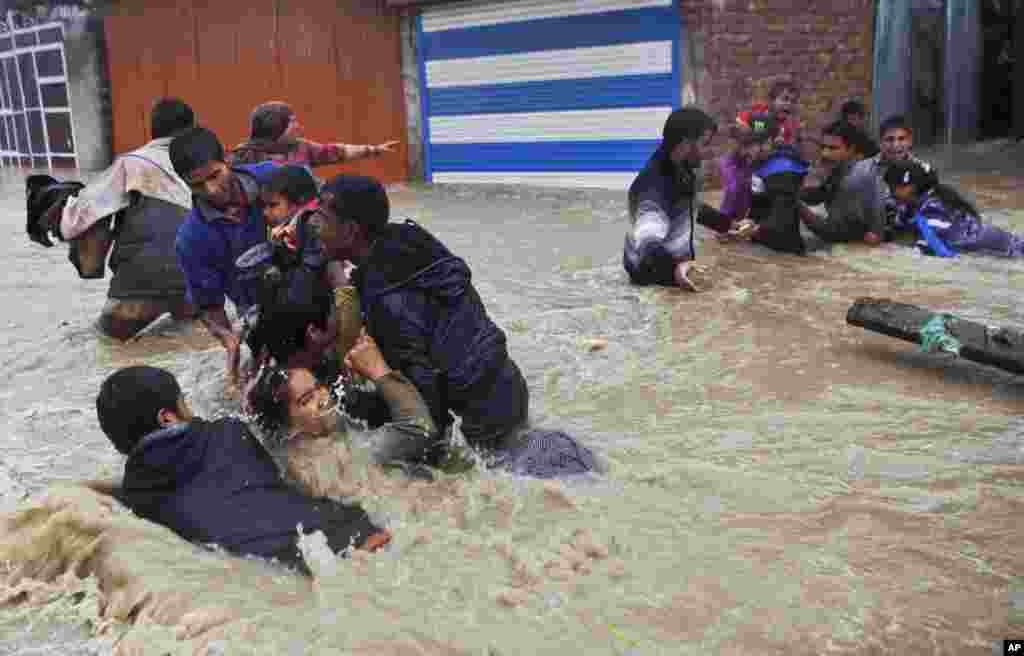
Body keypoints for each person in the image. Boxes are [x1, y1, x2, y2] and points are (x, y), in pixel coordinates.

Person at [94, 365, 391, 576]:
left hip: (275, 572)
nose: (190, 409)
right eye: (183, 402)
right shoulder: (229, 432)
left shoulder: (138, 498)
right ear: (168, 418)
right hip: (347, 534)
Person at [309, 175, 530, 458]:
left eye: (322, 219)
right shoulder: (405, 241)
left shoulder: (390, 303)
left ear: (351, 231)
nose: (315, 226)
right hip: (507, 386)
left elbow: (428, 422)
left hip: (487, 420)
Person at [26, 98, 197, 340]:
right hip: (200, 280)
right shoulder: (207, 164)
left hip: (144, 280)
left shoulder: (133, 163)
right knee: (190, 341)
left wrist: (57, 220)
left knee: (104, 345)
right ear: (192, 128)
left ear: (152, 129)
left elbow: (82, 216)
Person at [171, 127, 322, 388]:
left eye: (215, 175)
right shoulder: (191, 239)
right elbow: (210, 307)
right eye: (196, 185)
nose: (211, 190)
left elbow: (328, 214)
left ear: (227, 160)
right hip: (265, 322)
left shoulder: (277, 176)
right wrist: (229, 342)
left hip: (318, 294)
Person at [623, 107, 717, 290]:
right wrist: (675, 269)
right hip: (653, 284)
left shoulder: (681, 170)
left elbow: (689, 207)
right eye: (704, 143)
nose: (708, 151)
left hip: (674, 276)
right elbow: (647, 241)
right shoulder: (654, 184)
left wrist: (727, 224)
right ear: (685, 144)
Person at [884, 160, 1024, 258]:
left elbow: (926, 252)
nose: (890, 192)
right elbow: (897, 221)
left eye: (893, 187)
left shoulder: (933, 210)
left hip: (1008, 250)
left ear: (911, 187)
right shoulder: (915, 204)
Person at [228, 101, 398, 168]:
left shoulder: (301, 148)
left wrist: (374, 149)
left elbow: (337, 152)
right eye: (292, 122)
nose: (299, 127)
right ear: (276, 128)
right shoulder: (244, 158)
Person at [798, 121, 885, 245]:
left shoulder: (853, 181)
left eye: (833, 148)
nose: (825, 153)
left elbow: (833, 233)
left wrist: (796, 203)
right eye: (823, 147)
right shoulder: (839, 169)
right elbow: (821, 194)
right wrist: (795, 190)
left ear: (851, 150)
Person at [851, 115, 936, 236]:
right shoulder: (862, 169)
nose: (895, 145)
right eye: (889, 139)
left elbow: (929, 208)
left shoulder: (924, 172)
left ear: (910, 141)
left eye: (901, 139)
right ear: (880, 142)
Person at [738, 81, 802, 147]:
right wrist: (743, 126)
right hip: (753, 147)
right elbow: (740, 119)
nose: (789, 104)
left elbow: (792, 142)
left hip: (776, 153)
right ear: (772, 101)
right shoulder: (759, 111)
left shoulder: (792, 124)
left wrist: (785, 141)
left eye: (793, 101)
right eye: (785, 99)